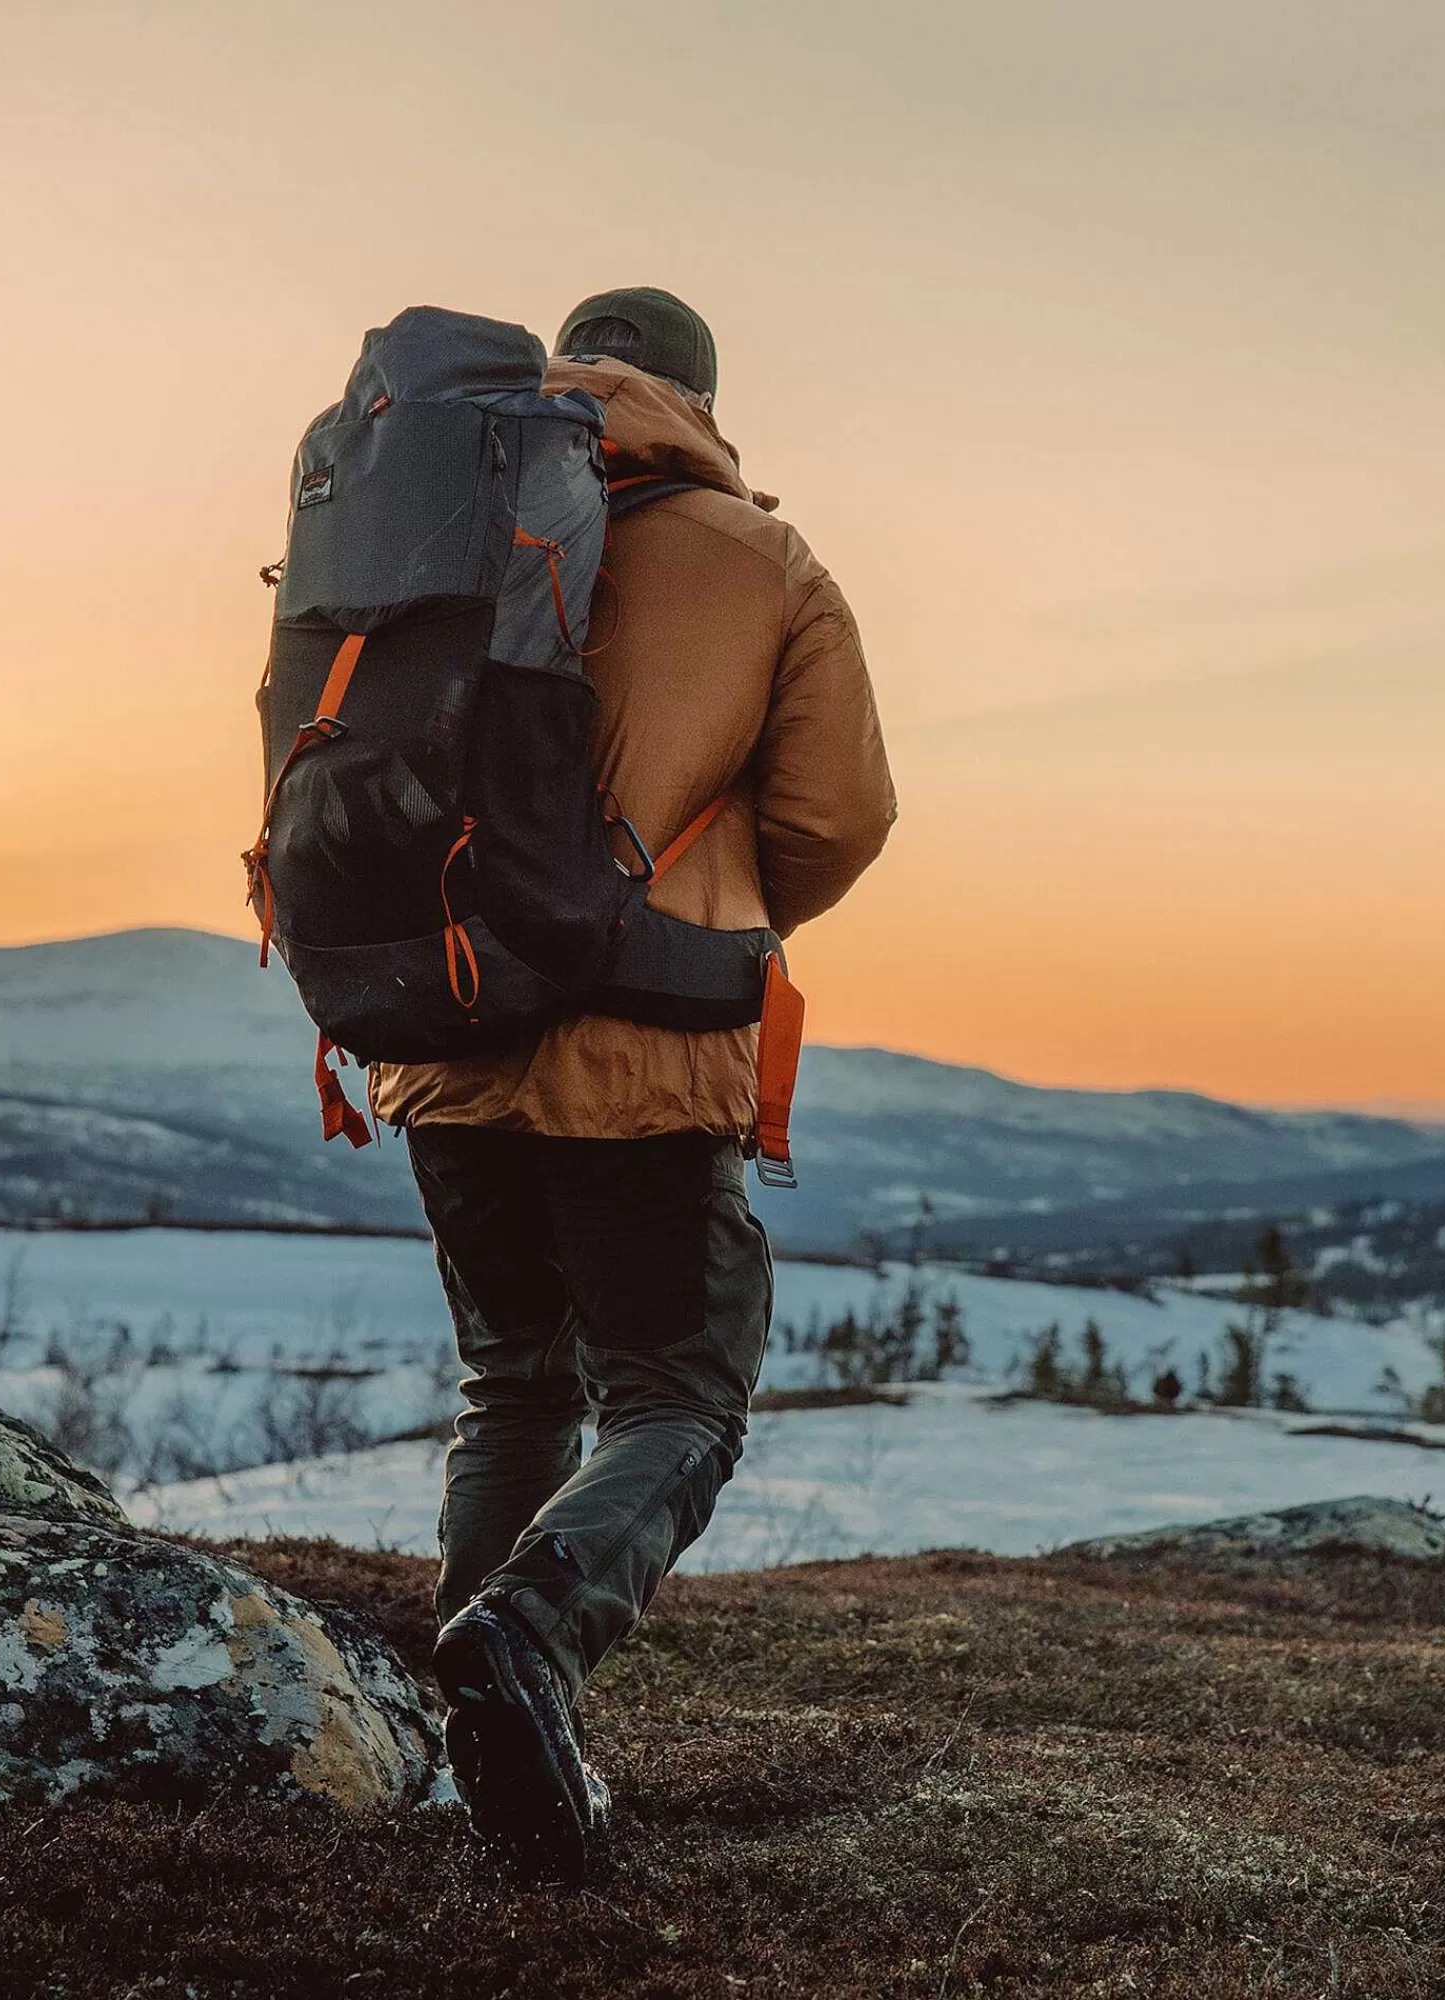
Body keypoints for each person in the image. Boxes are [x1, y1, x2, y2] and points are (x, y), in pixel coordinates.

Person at [369, 286, 896, 1880]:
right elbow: (838, 817)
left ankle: (481, 1748)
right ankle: (528, 1639)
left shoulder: (435, 508)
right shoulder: (759, 559)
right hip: (644, 1044)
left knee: (513, 1385)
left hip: (442, 1034)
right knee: (676, 1391)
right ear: (705, 401)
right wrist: (700, 902)